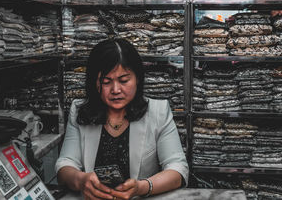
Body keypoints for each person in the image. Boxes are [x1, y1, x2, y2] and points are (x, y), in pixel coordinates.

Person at [55, 38, 188, 200]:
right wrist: (80, 180)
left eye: (124, 80)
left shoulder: (158, 111)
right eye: (106, 82)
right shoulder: (80, 111)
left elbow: (178, 169)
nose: (116, 90)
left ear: (137, 78)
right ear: (94, 83)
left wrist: (142, 187)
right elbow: (64, 165)